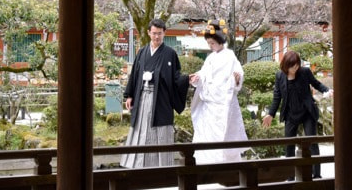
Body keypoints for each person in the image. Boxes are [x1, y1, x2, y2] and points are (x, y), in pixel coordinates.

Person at [122, 18, 189, 168]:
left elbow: (176, 76)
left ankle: (161, 165)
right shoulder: (142, 52)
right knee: (140, 128)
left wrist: (187, 80)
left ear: (164, 33)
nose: (156, 37)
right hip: (141, 97)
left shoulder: (170, 53)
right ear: (148, 33)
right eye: (154, 33)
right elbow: (135, 74)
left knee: (160, 130)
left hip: (160, 100)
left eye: (159, 33)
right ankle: (138, 164)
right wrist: (129, 95)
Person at [262, 50, 331, 179]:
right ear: (285, 65)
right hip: (290, 113)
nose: (295, 68)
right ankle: (290, 174)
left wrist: (327, 90)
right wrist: (270, 114)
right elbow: (277, 97)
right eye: (292, 66)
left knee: (312, 141)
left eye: (297, 65)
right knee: (289, 144)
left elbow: (316, 83)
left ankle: (316, 174)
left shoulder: (304, 72)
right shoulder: (279, 76)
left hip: (307, 112)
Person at [188, 19, 248, 164]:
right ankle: (206, 163)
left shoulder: (229, 56)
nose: (211, 46)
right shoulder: (210, 58)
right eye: (209, 44)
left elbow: (238, 73)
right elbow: (204, 74)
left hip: (223, 102)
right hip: (209, 103)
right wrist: (198, 77)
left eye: (212, 43)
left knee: (225, 133)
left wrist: (237, 79)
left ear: (220, 41)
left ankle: (226, 163)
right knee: (207, 135)